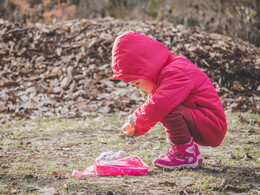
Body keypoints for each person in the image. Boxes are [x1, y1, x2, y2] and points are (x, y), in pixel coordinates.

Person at [111, 32, 227, 171]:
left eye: (136, 82)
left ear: (146, 70)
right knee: (166, 107)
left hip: (211, 125)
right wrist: (136, 124)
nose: (137, 88)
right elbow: (155, 103)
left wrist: (137, 121)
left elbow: (158, 105)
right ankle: (190, 152)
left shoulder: (175, 72)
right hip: (203, 120)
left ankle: (183, 155)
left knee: (168, 109)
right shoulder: (167, 71)